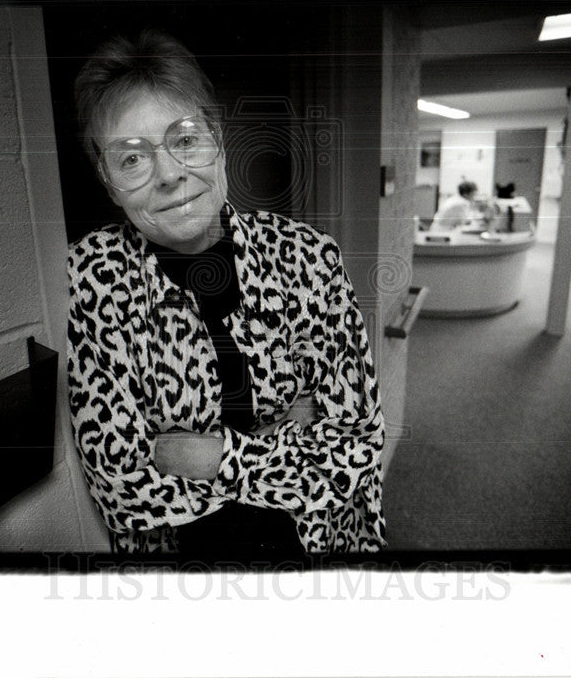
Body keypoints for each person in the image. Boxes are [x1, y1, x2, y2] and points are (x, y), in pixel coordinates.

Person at [66, 29, 386, 557]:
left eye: (185, 139)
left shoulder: (309, 257)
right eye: (131, 159)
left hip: (314, 549)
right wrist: (284, 438)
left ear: (217, 138)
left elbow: (354, 449)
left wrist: (211, 456)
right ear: (107, 179)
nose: (169, 174)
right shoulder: (91, 276)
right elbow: (121, 490)